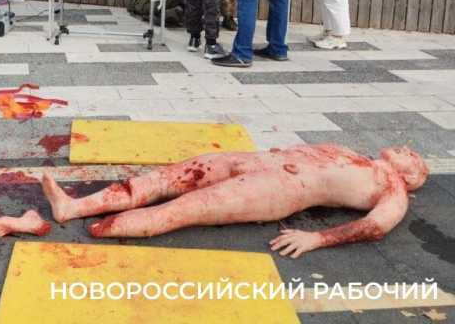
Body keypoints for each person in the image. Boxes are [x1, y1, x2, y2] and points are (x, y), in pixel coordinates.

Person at [41, 144, 428, 257]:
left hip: (281, 189)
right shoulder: (356, 154)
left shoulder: (392, 187)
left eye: (413, 156)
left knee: (182, 210)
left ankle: (103, 228)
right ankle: (72, 207)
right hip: (256, 161)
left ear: (413, 178)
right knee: (162, 178)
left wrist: (317, 239)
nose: (407, 149)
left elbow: (377, 226)